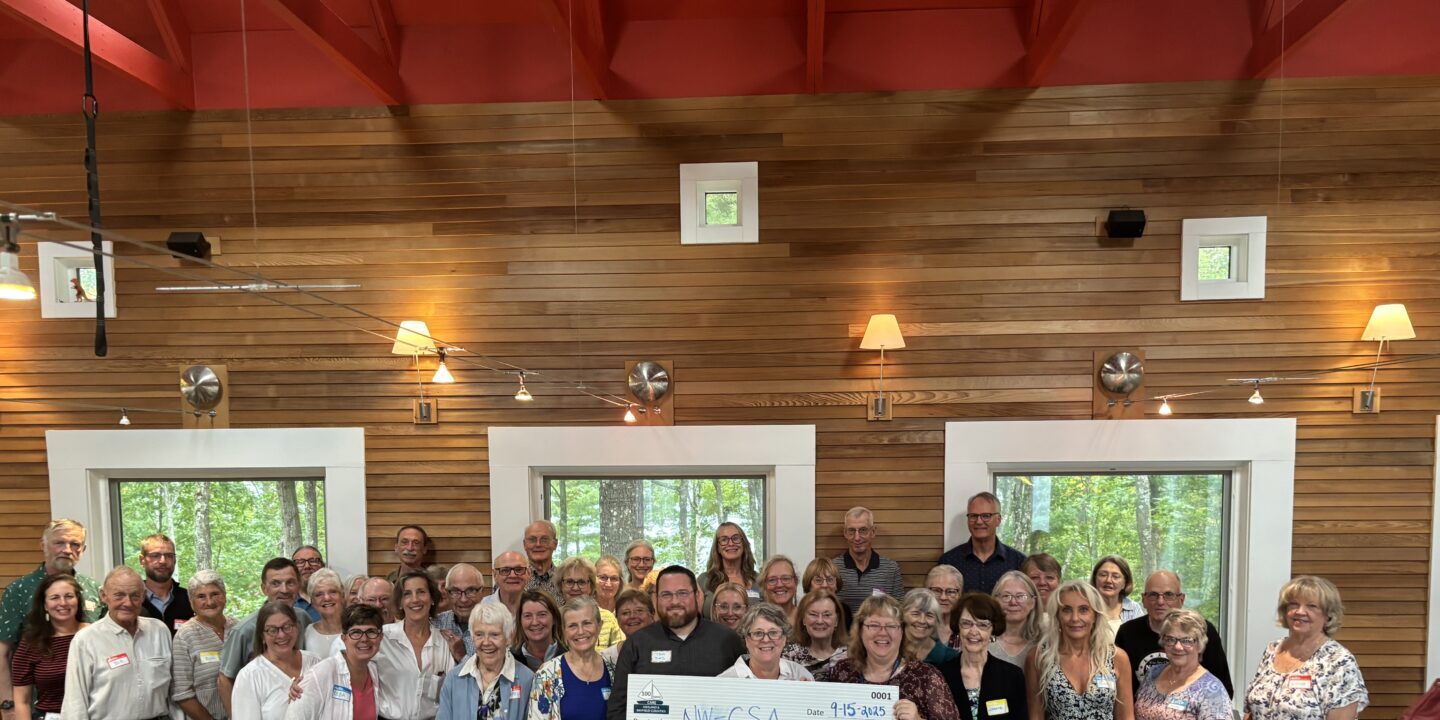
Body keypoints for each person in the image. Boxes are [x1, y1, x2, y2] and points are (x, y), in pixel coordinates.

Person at [606, 566, 746, 720]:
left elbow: (745, 698)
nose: (674, 601)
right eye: (666, 595)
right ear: (656, 599)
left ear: (698, 595)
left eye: (682, 593)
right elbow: (617, 709)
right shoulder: (637, 644)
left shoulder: (728, 640)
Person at [0, 519, 103, 720]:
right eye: (59, 543)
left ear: (83, 549)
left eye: (75, 544)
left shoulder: (93, 589)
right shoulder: (19, 590)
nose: (67, 549)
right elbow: (2, 652)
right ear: (43, 545)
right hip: (41, 707)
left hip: (94, 705)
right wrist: (7, 705)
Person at [1243, 576, 1367, 720]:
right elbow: (1252, 709)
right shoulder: (1273, 649)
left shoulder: (1339, 661)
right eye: (1294, 604)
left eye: (1312, 606)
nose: (1300, 611)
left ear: (1328, 615)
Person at [58, 566, 172, 719]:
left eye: (135, 596)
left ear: (143, 596)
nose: (128, 602)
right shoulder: (85, 640)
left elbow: (172, 690)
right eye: (119, 595)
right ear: (104, 596)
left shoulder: (159, 631)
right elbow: (75, 703)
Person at [824, 595, 960, 720]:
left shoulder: (926, 677)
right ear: (860, 631)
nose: (882, 633)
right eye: (874, 625)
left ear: (902, 631)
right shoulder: (842, 672)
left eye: (891, 626)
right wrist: (805, 694)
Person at [1025, 580, 1134, 720]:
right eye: (1066, 610)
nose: (1075, 618)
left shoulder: (1116, 657)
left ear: (1095, 615)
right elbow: (1036, 716)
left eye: (1083, 609)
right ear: (1057, 615)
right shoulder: (1039, 657)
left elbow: (1126, 717)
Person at [217, 558, 313, 716]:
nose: (284, 589)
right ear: (264, 588)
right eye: (276, 583)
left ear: (298, 585)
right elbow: (225, 679)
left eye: (290, 582)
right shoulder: (244, 630)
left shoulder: (304, 618)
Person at [1115, 571, 1232, 699]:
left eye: (1168, 595)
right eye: (1153, 595)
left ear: (1181, 599)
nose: (1160, 601)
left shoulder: (1202, 630)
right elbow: (1119, 689)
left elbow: (1223, 690)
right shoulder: (1127, 633)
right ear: (1144, 600)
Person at [376, 570, 455, 720]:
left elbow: (450, 693)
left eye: (421, 592)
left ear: (432, 598)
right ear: (399, 602)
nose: (415, 599)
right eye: (407, 594)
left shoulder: (445, 642)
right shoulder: (382, 638)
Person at [284, 605, 386, 720]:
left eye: (371, 632)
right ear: (343, 638)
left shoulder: (375, 672)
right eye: (356, 632)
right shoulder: (321, 673)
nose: (364, 639)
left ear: (381, 637)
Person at [936, 593, 1028, 720]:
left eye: (982, 625)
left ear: (993, 630)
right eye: (966, 623)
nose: (974, 632)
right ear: (958, 627)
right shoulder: (940, 676)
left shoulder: (1012, 676)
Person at [436, 603, 534, 720]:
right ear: (472, 637)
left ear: (509, 637)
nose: (486, 642)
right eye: (479, 635)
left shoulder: (527, 679)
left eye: (494, 635)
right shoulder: (454, 679)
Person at [10, 574, 89, 719]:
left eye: (69, 596)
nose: (63, 603)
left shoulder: (95, 635)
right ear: (45, 605)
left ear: (78, 600)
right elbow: (22, 701)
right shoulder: (31, 642)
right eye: (55, 598)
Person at [1133, 610, 1232, 720]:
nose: (1178, 647)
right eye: (1170, 639)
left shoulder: (1212, 691)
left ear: (1199, 645)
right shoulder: (1153, 673)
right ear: (1163, 642)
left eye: (1187, 641)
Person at [528, 596, 615, 720]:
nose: (580, 631)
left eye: (587, 623)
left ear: (599, 626)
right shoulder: (546, 675)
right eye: (572, 626)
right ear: (563, 631)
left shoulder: (614, 670)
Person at [233, 601, 322, 720]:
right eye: (272, 630)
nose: (281, 635)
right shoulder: (250, 676)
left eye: (287, 627)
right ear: (262, 636)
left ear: (297, 627)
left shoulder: (316, 663)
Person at [172, 570, 236, 720]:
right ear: (191, 602)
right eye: (201, 596)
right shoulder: (185, 636)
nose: (210, 602)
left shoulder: (238, 628)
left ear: (224, 596)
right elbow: (182, 694)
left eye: (215, 594)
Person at [939, 493, 1027, 596]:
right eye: (973, 516)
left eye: (986, 516)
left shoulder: (1018, 562)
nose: (979, 521)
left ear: (998, 520)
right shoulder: (949, 561)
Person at [833, 507, 905, 613]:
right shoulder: (833, 568)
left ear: (873, 532)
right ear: (845, 533)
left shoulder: (891, 569)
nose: (857, 537)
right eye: (851, 531)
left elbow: (899, 611)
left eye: (863, 530)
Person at [720, 603, 813, 680]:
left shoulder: (800, 675)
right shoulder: (724, 682)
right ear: (746, 639)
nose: (766, 640)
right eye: (758, 633)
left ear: (784, 638)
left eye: (773, 633)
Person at [555, 557, 623, 651]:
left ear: (591, 586)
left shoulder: (608, 619)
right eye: (569, 582)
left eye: (581, 582)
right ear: (561, 585)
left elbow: (621, 655)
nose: (575, 588)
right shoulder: (553, 618)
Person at [782, 589, 848, 678]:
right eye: (813, 614)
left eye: (827, 615)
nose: (820, 621)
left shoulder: (851, 655)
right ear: (803, 619)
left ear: (836, 620)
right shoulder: (789, 655)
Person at [137, 533, 194, 634]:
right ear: (142, 560)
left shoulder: (190, 599)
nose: (163, 561)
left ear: (174, 560)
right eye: (155, 555)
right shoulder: (132, 601)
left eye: (169, 556)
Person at [699, 523, 759, 609]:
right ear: (718, 548)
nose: (731, 543)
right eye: (724, 540)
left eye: (736, 538)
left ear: (744, 544)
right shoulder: (704, 580)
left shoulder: (759, 580)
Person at [990, 571, 1042, 669]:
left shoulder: (1044, 643)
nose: (1013, 602)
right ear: (995, 600)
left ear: (1033, 602)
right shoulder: (982, 639)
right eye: (1006, 596)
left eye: (1021, 596)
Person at [435, 563, 487, 661]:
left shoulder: (496, 627)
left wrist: (462, 656)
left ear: (482, 591)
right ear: (447, 593)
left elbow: (492, 673)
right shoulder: (435, 624)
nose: (463, 599)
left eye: (471, 590)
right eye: (456, 591)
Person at [902, 589, 958, 665]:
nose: (922, 621)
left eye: (929, 615)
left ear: (937, 620)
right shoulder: (890, 648)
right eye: (915, 614)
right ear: (903, 615)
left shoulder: (950, 657)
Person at [511, 589, 561, 672]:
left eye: (542, 615)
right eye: (528, 616)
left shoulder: (570, 657)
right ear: (520, 621)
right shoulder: (510, 660)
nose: (535, 622)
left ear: (554, 618)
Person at [600, 589, 655, 663]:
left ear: (652, 614)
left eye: (639, 611)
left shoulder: (667, 650)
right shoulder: (606, 658)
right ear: (617, 619)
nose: (632, 616)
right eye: (625, 613)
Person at [1092, 556, 1143, 634]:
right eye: (1103, 575)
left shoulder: (1134, 609)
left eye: (1115, 576)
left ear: (1125, 583)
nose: (1108, 580)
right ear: (1095, 579)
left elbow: (1141, 641)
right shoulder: (1086, 607)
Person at [302, 568, 346, 657]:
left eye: (333, 592)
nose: (327, 598)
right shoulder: (307, 632)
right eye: (319, 594)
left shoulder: (356, 630)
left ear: (342, 595)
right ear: (312, 601)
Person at [802, 558, 853, 631]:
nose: (825, 585)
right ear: (809, 585)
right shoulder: (801, 611)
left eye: (830, 580)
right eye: (818, 580)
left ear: (836, 585)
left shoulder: (844, 611)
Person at [925, 565, 964, 648]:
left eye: (950, 591)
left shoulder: (967, 628)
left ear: (960, 595)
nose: (943, 597)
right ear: (927, 592)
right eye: (937, 590)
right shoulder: (918, 627)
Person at [484, 552, 531, 618]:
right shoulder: (480, 608)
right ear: (495, 575)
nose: (513, 575)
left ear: (528, 573)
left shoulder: (540, 607)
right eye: (505, 570)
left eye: (519, 570)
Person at [521, 521, 560, 598]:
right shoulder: (513, 579)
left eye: (544, 540)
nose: (538, 544)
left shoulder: (565, 580)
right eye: (532, 540)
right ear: (525, 545)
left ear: (555, 544)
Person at [758, 556, 800, 625]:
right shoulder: (755, 620)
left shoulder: (807, 618)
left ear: (795, 582)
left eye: (786, 578)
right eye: (772, 580)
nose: (779, 585)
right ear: (764, 586)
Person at [292, 546, 326, 622]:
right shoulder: (287, 601)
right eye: (300, 562)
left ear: (323, 566)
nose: (307, 566)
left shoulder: (333, 600)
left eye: (313, 561)